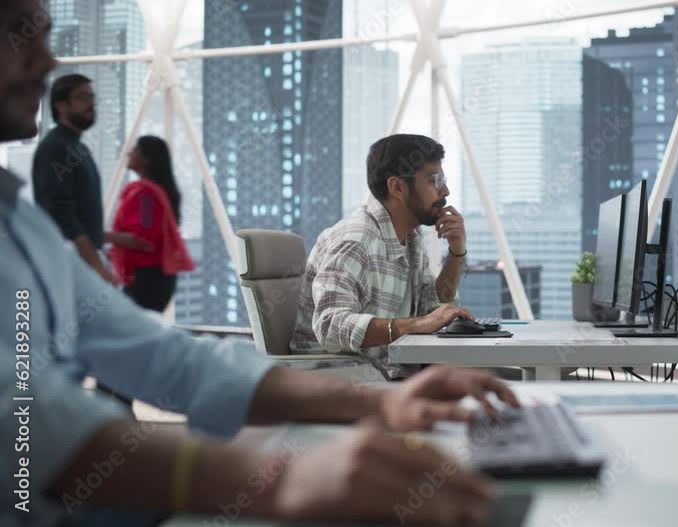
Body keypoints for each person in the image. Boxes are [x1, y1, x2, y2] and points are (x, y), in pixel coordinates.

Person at [1, 2, 514, 525]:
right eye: (17, 33)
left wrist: (379, 406)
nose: (48, 60)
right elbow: (28, 429)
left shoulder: (24, 228)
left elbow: (166, 356)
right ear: (398, 187)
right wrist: (282, 477)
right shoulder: (354, 239)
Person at [291, 134, 472, 378]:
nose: (445, 190)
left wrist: (456, 252)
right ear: (397, 187)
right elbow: (330, 324)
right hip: (340, 378)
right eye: (434, 180)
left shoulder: (410, 237)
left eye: (443, 180)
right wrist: (416, 325)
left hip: (384, 371)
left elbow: (430, 307)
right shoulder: (357, 241)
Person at [32, 73, 150, 285]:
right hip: (69, 265)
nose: (91, 103)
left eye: (92, 97)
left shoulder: (76, 147)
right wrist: (97, 267)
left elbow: (79, 215)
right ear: (60, 105)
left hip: (77, 262)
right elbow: (62, 215)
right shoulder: (57, 148)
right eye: (82, 97)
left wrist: (112, 239)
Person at [109, 135, 194, 311]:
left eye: (135, 149)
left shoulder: (145, 195)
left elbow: (144, 239)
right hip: (149, 278)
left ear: (146, 159)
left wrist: (100, 236)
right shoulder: (150, 191)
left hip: (147, 280)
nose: (129, 153)